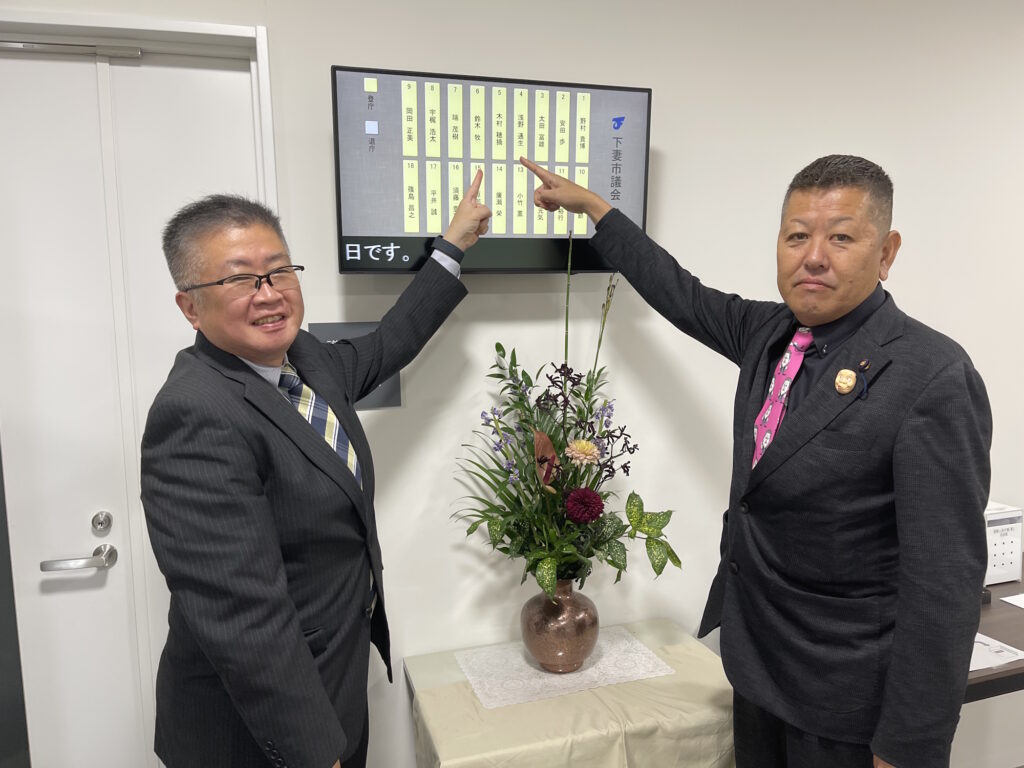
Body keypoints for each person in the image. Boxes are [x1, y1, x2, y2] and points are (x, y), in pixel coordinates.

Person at [520, 154, 991, 768]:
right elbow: (682, 294)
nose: (813, 256)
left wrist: (909, 746)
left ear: (887, 252)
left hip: (848, 701)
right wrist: (596, 210)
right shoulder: (770, 335)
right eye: (796, 236)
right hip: (757, 670)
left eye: (840, 237)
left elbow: (944, 583)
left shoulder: (931, 375)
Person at [141, 172, 490, 768]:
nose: (269, 293)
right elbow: (243, 618)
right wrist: (314, 754)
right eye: (239, 279)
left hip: (333, 683)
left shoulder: (304, 362)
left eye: (279, 271)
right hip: (258, 731)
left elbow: (388, 343)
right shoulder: (196, 414)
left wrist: (452, 245)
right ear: (190, 306)